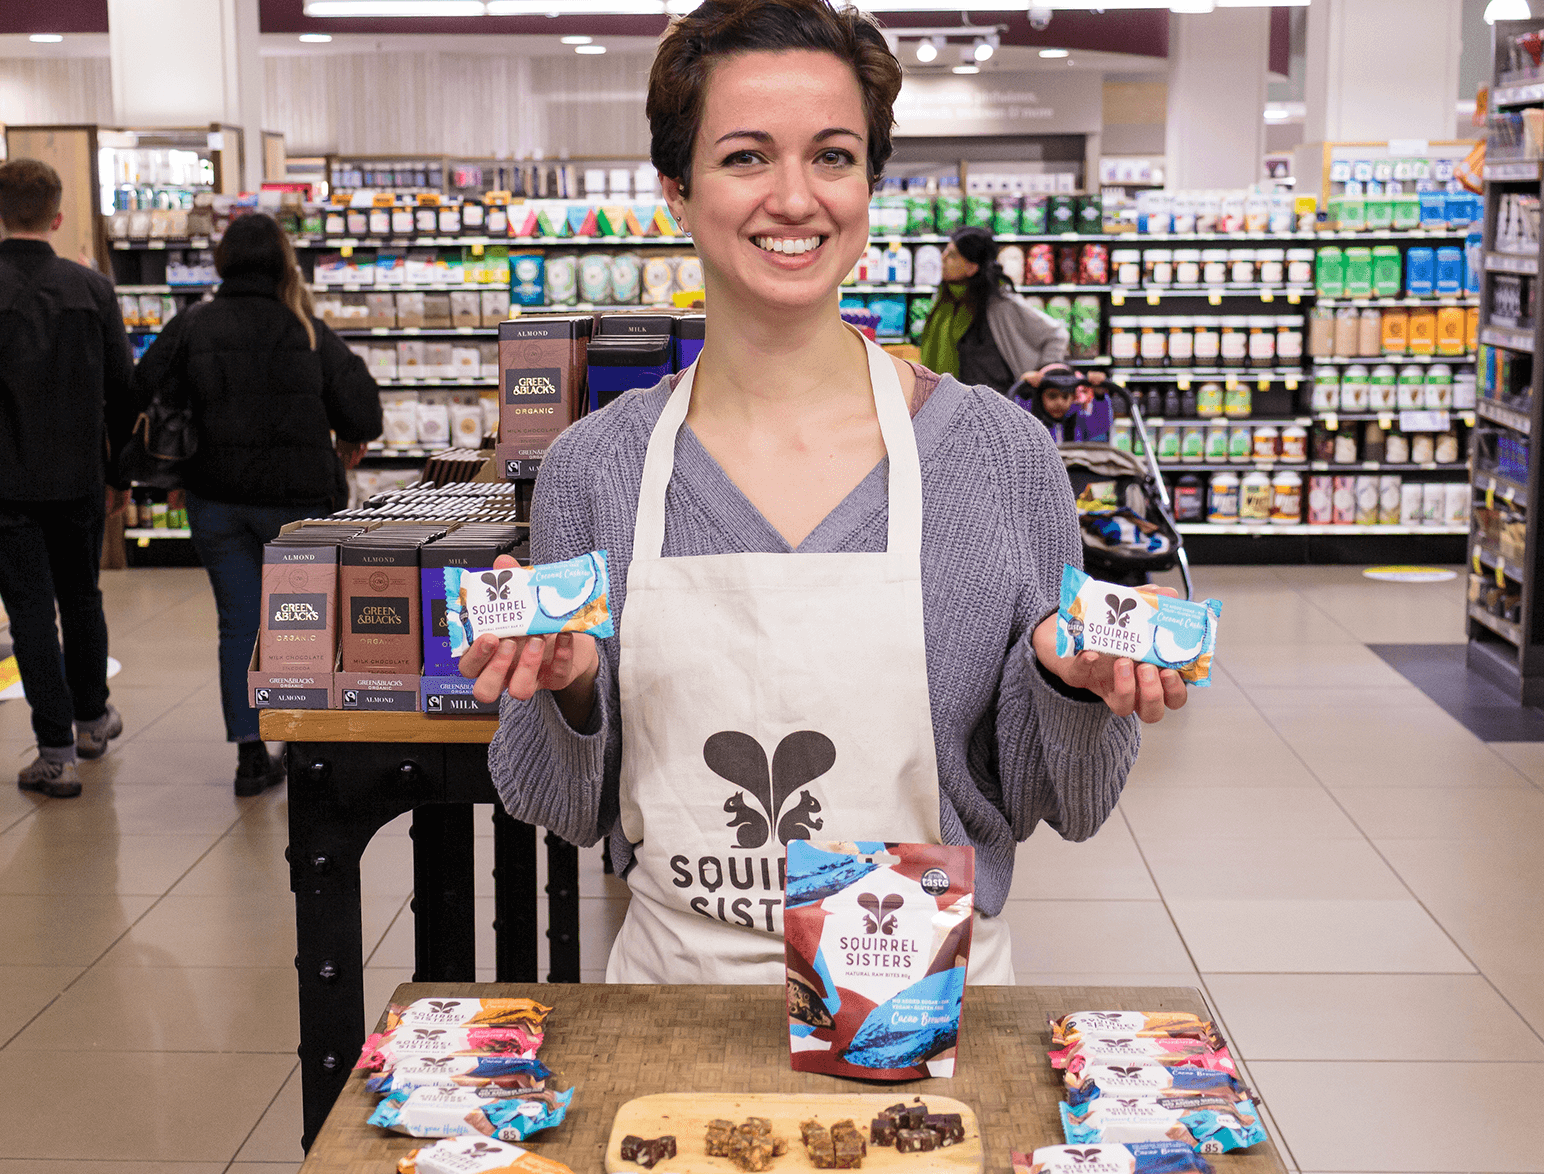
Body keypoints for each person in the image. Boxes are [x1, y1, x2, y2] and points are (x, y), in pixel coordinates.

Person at [467, 0, 1189, 986]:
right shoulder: (599, 467)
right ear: (674, 188)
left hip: (917, 1014)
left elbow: (1066, 800)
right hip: (678, 1010)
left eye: (833, 156)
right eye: (745, 156)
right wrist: (570, 688)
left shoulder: (997, 456)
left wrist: (1070, 686)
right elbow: (557, 803)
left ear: (870, 183)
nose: (794, 198)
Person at [133, 211, 381, 795]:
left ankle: (250, 753)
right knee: (303, 624)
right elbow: (363, 415)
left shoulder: (193, 325)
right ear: (284, 263)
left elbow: (140, 387)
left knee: (238, 623)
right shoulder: (309, 329)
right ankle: (302, 745)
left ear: (221, 263)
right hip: (299, 503)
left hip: (216, 500)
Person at [0, 157, 134, 799]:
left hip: (2, 478)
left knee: (31, 614)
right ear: (58, 216)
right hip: (79, 477)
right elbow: (124, 392)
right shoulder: (91, 289)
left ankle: (54, 752)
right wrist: (118, 474)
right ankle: (92, 717)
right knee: (82, 597)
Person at [917, 225, 1068, 394]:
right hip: (946, 402)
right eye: (945, 251)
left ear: (971, 267)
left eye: (952, 255)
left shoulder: (1000, 304)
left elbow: (1056, 335)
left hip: (992, 405)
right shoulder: (946, 300)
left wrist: (1044, 371)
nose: (943, 258)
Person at [1013, 362, 1112, 443]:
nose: (1059, 402)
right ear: (1039, 397)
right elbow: (1017, 419)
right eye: (1052, 396)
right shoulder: (1031, 423)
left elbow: (1101, 425)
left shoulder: (1080, 421)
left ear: (1073, 397)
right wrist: (1024, 390)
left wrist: (1099, 395)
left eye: (1065, 397)